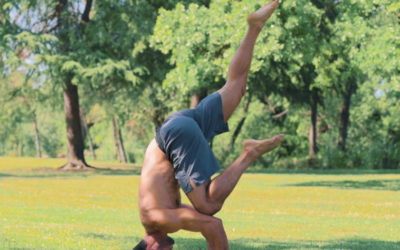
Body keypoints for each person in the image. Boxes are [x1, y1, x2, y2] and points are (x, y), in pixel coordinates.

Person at [135, 1, 283, 249]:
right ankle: (254, 27)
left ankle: (249, 153)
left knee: (209, 206)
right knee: (235, 87)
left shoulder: (158, 219)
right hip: (176, 126)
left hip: (175, 137)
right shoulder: (156, 213)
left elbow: (213, 226)